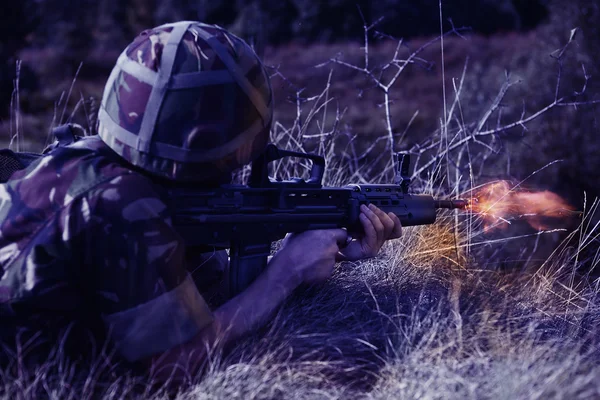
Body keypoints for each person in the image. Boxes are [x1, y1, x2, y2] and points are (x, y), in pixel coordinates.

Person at [0, 21, 401, 381]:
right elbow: (176, 364)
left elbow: (189, 294)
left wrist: (328, 252)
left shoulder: (83, 160)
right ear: (205, 140)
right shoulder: (124, 205)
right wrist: (287, 272)